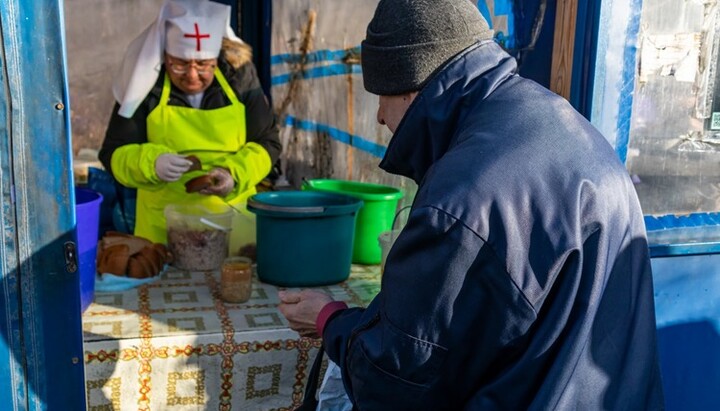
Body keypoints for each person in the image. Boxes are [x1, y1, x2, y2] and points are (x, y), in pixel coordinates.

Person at [278, 0, 665, 409]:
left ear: (411, 86)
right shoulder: (565, 124)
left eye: (381, 96)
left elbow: (397, 379)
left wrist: (330, 321)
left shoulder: (461, 198)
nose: (378, 116)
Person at [99, 0, 281, 243]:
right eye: (180, 64)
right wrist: (151, 163)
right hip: (163, 231)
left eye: (204, 65)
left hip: (233, 227)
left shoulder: (239, 78)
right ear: (165, 55)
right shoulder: (145, 84)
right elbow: (114, 154)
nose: (193, 76)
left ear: (217, 58)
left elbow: (267, 143)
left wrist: (234, 174)